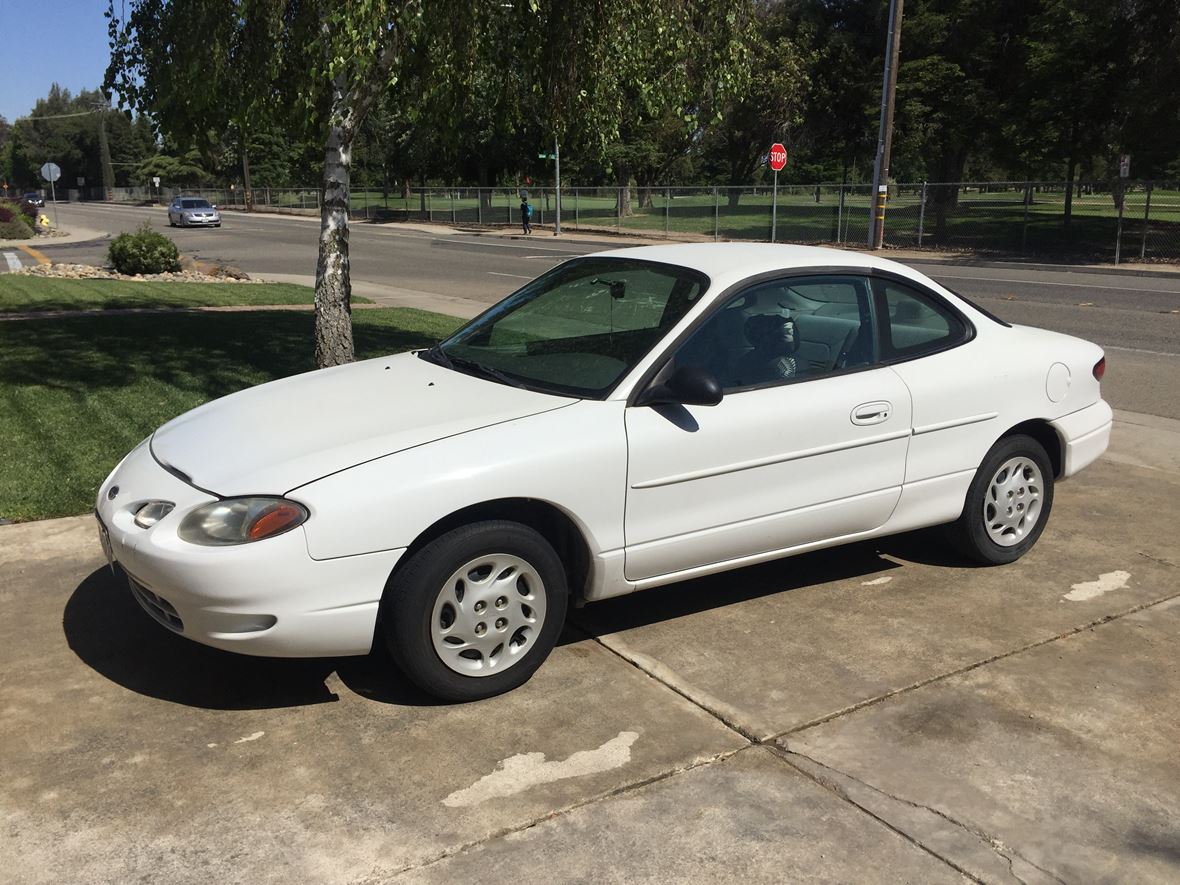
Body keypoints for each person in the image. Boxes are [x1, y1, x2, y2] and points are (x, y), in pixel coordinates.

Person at [735, 313, 799, 386]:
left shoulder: (745, 360)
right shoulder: (775, 366)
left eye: (793, 332)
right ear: (770, 337)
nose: (793, 337)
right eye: (788, 331)